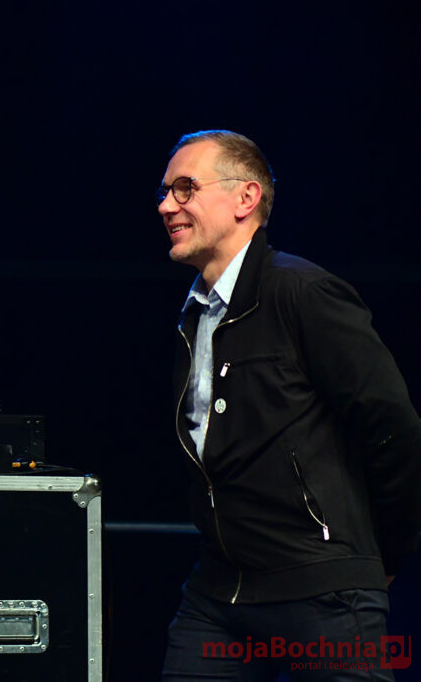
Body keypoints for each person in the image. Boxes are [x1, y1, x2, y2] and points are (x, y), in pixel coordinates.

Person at [157, 130, 421, 680]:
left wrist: (384, 554)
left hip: (322, 590)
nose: (166, 206)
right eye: (164, 192)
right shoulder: (195, 314)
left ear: (245, 198)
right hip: (219, 594)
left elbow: (393, 426)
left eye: (184, 189)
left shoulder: (302, 291)